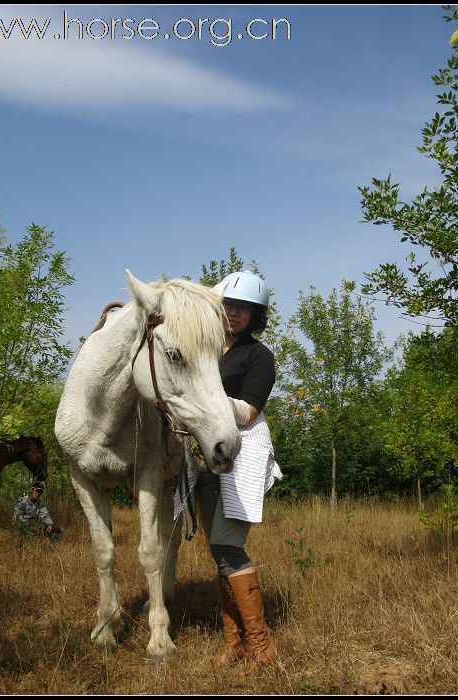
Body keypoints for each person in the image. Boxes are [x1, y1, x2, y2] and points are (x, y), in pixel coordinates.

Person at [185, 270, 283, 668]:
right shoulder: (204, 351)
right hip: (204, 462)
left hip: (239, 457)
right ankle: (234, 643)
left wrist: (204, 401)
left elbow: (248, 411)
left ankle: (261, 645)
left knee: (228, 547)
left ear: (255, 315)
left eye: (244, 308)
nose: (234, 313)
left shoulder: (259, 356)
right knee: (218, 552)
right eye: (228, 305)